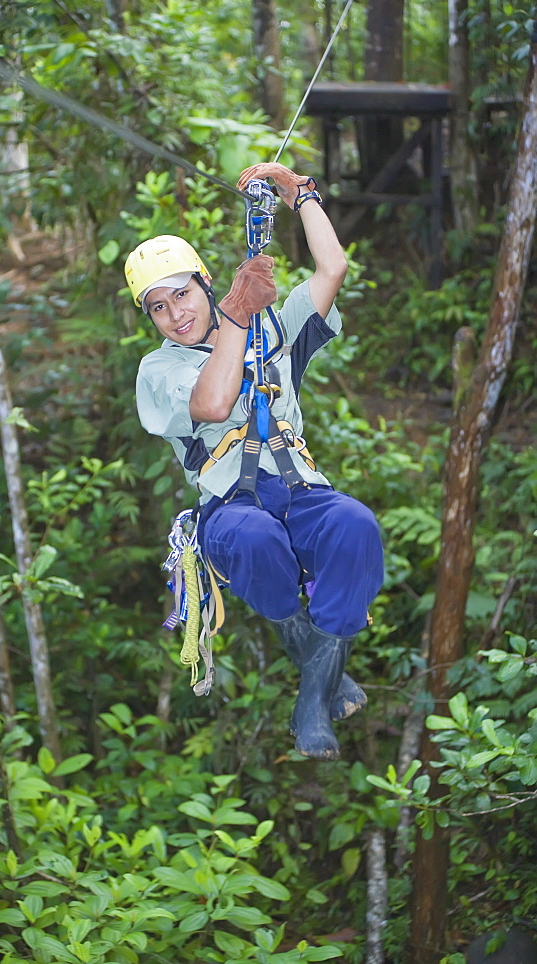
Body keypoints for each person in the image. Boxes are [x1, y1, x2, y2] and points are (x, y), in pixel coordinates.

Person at [124, 162, 384, 760]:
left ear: (204, 282)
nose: (176, 314)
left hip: (299, 489)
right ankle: (317, 695)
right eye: (159, 307)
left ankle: (312, 693)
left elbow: (332, 268)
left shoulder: (272, 325)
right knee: (256, 537)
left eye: (182, 294)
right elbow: (213, 404)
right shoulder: (159, 369)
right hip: (230, 505)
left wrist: (302, 195)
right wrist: (238, 315)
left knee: (355, 526)